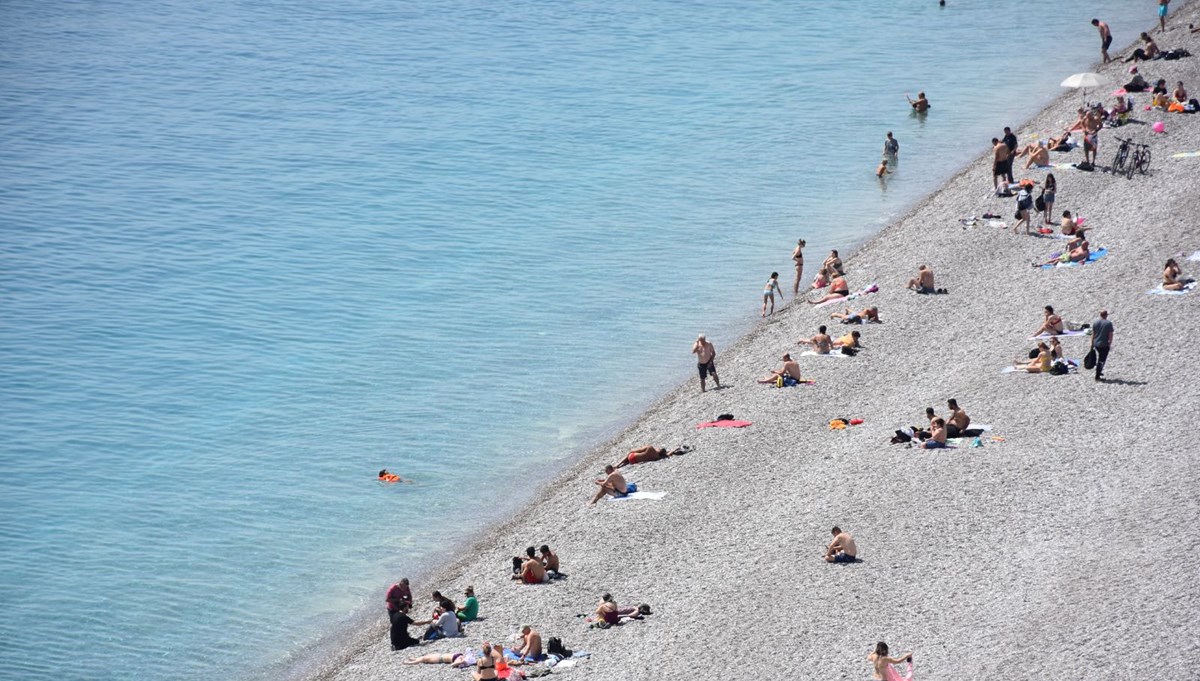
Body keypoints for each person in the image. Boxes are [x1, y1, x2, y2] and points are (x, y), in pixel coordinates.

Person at [615, 444, 686, 469]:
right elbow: (667, 454)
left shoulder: (650, 448)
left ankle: (617, 464)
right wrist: (674, 450)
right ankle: (621, 464)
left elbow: (632, 451)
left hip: (632, 457)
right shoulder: (657, 457)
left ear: (658, 450)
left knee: (630, 454)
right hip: (634, 462)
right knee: (630, 458)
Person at [1091, 310, 1114, 381]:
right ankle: (1097, 376)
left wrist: (1092, 343)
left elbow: (1093, 334)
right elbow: (1110, 334)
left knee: (1100, 358)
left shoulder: (1095, 322)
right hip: (1104, 344)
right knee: (1102, 360)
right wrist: (1109, 343)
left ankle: (1099, 371)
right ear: (1106, 315)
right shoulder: (1108, 323)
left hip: (1096, 343)